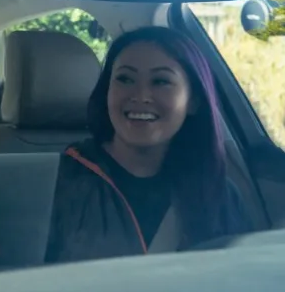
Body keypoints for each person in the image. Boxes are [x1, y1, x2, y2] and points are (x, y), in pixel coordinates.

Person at [45, 26, 250, 263]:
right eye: (125, 79)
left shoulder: (218, 193)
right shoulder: (59, 183)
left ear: (193, 100)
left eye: (161, 81)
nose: (141, 95)